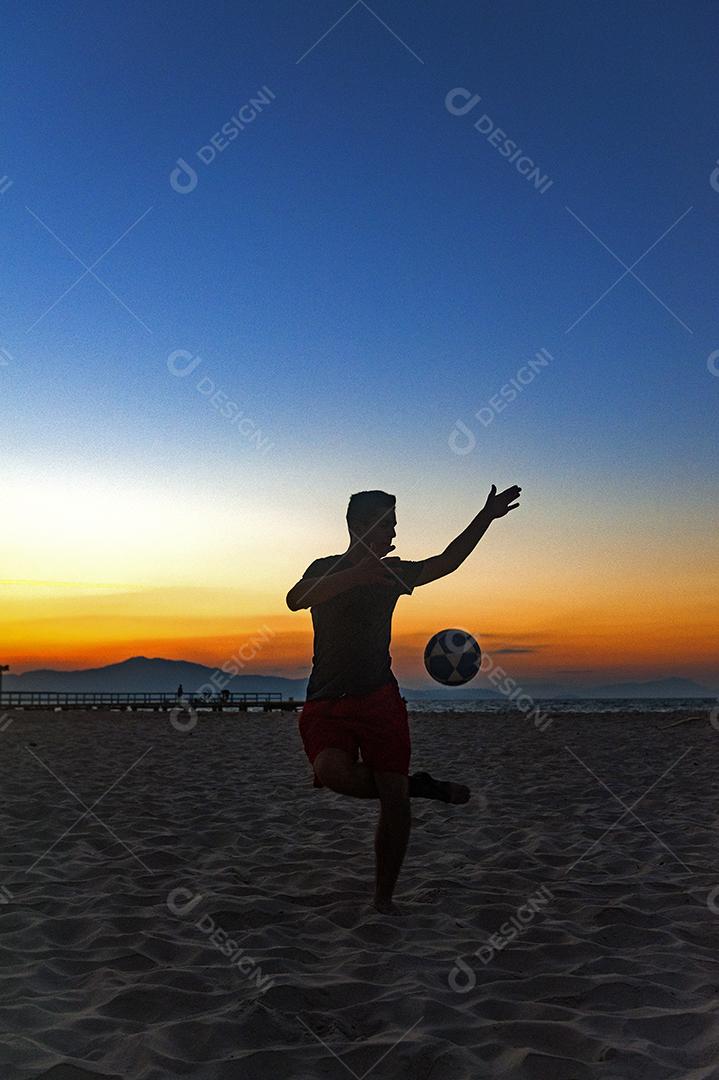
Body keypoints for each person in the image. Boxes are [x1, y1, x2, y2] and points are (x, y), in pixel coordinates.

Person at [286, 484, 521, 914]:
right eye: (387, 525)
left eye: (396, 525)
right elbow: (296, 598)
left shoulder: (393, 573)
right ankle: (421, 787)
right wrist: (356, 575)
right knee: (333, 774)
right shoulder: (324, 568)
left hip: (378, 697)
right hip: (326, 699)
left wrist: (485, 517)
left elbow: (446, 562)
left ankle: (383, 900)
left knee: (394, 804)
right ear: (360, 528)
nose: (394, 534)